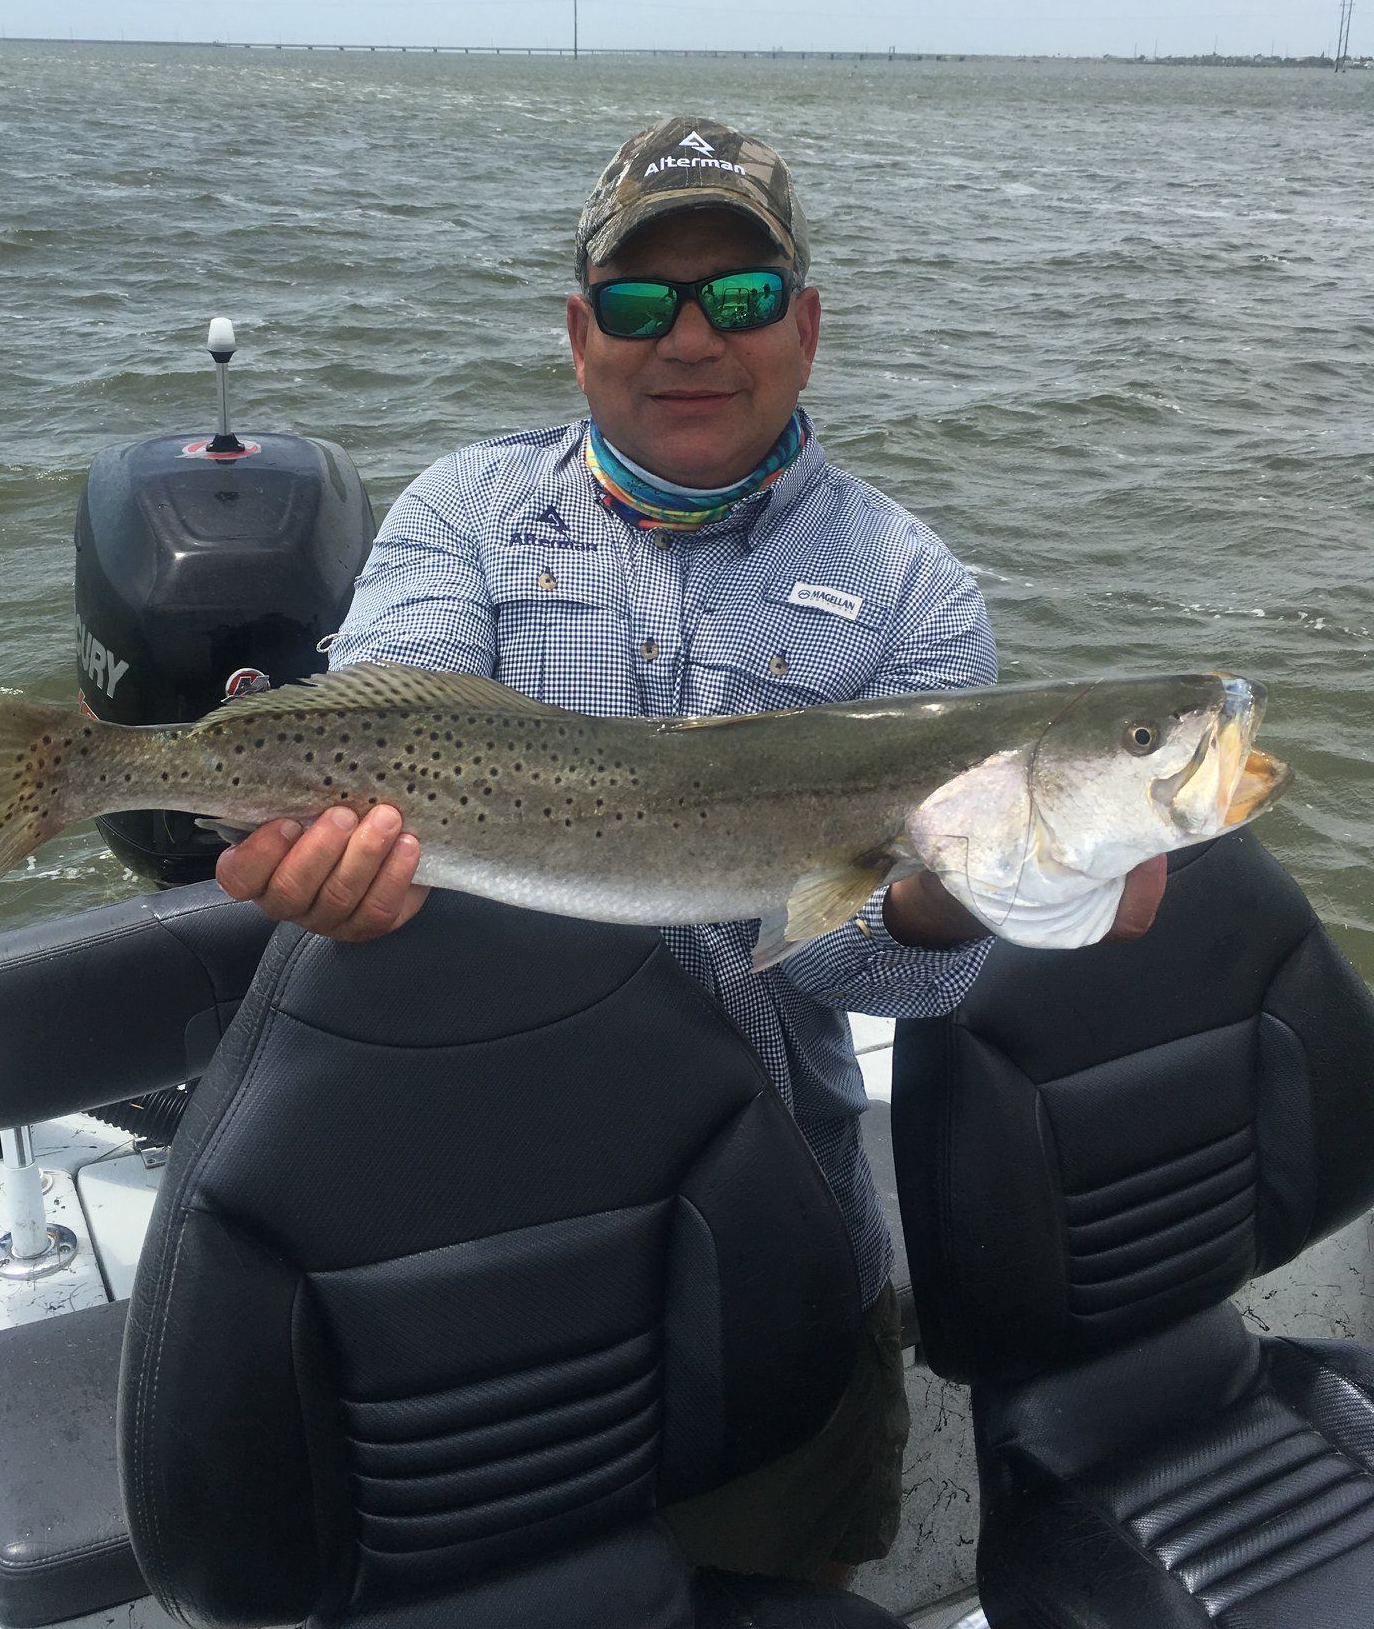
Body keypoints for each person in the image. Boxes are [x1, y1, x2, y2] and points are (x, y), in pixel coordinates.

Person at [215, 115, 1166, 1585]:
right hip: (475, 1224)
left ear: (808, 325)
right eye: (645, 302)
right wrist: (344, 875)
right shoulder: (464, 516)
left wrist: (945, 909)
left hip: (780, 1233)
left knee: (780, 1572)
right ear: (581, 332)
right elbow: (390, 698)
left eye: (742, 296)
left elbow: (898, 987)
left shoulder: (913, 593)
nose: (693, 340)